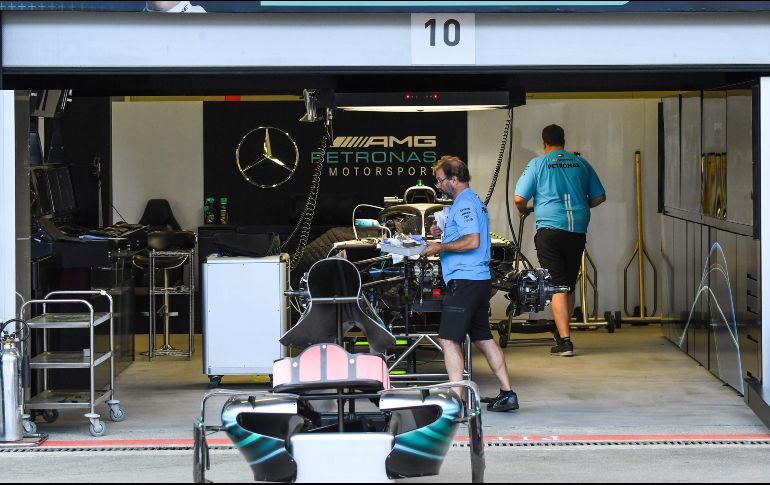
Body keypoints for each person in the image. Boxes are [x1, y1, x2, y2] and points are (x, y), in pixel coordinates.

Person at [421, 155, 519, 413]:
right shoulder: (469, 200)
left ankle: (456, 401)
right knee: (483, 338)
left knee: (448, 339)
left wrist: (439, 246)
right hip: (478, 280)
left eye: (441, 180)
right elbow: (465, 234)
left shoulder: (464, 202)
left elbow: (472, 240)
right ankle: (507, 393)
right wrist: (442, 234)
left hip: (465, 280)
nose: (438, 185)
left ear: (454, 179)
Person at [514, 124, 606, 357]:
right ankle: (564, 330)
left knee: (556, 285)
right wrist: (581, 205)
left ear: (544, 143)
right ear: (563, 140)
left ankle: (565, 341)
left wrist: (525, 209)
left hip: (550, 229)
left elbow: (518, 198)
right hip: (576, 230)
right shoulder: (581, 163)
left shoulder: (538, 163)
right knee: (568, 283)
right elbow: (599, 197)